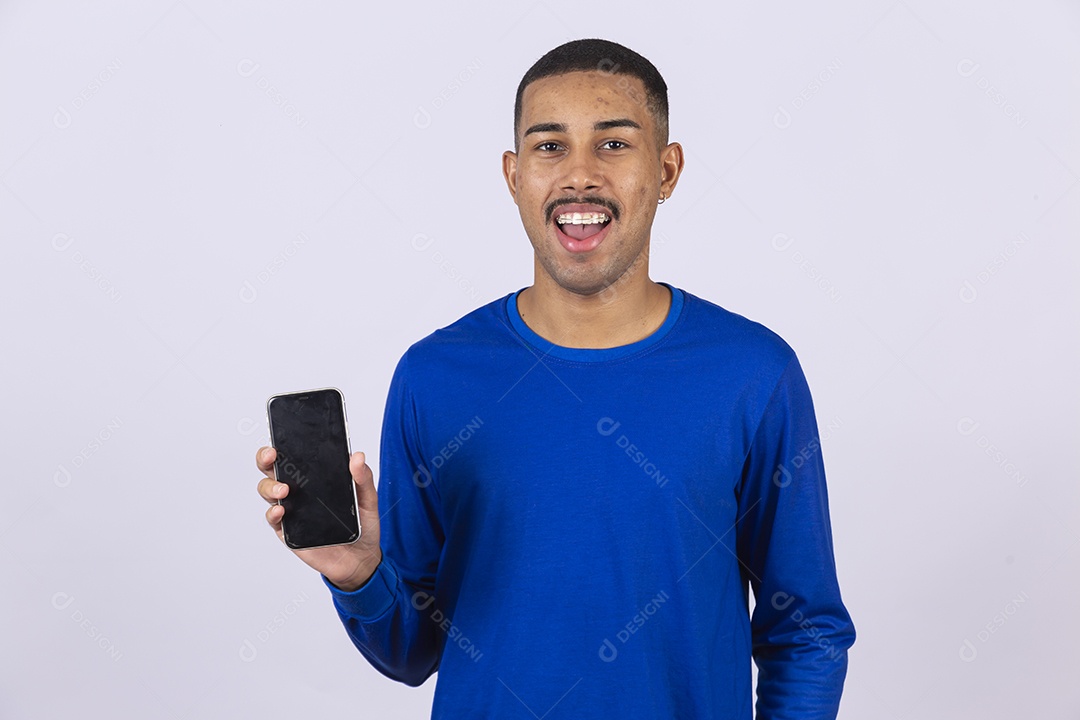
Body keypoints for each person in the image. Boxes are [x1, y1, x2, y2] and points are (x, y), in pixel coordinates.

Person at [256, 38, 855, 719]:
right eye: (549, 147)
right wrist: (359, 572)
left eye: (613, 144)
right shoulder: (434, 378)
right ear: (514, 174)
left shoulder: (753, 374)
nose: (578, 175)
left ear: (666, 169)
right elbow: (412, 650)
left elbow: (805, 630)